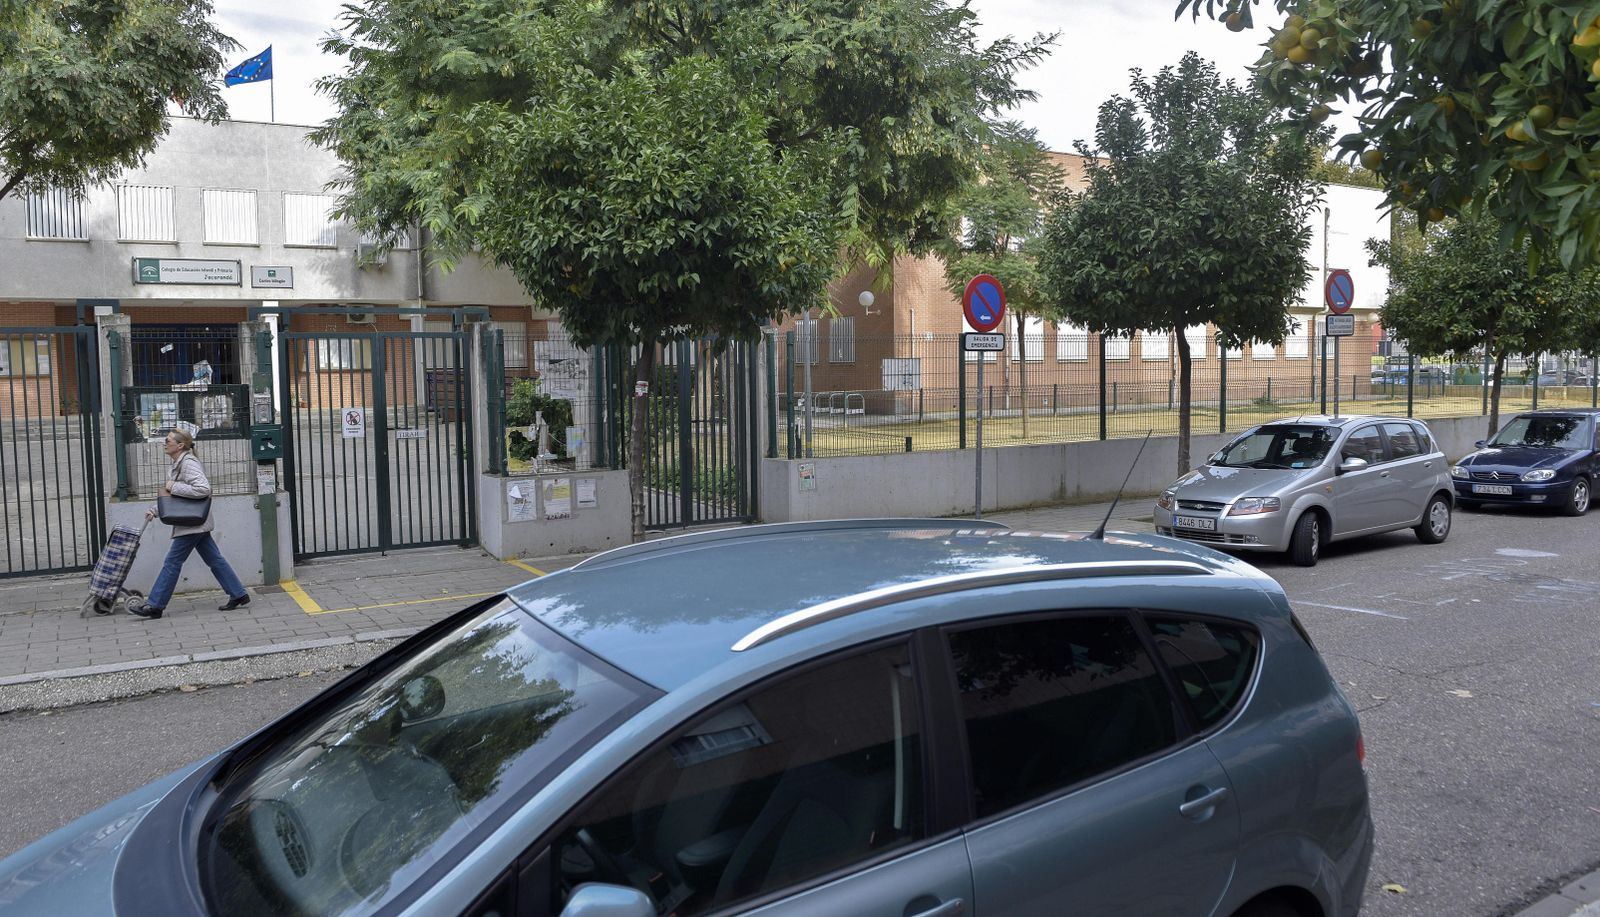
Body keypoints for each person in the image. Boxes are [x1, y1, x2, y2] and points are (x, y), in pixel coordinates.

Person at [127, 429, 250, 619]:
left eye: (168, 440)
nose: (164, 443)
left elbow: (202, 489)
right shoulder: (179, 463)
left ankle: (155, 605)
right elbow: (177, 499)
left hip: (192, 524)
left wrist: (172, 486)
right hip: (194, 521)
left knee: (172, 561)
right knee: (214, 559)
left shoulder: (188, 463)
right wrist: (156, 510)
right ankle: (239, 594)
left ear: (180, 445)